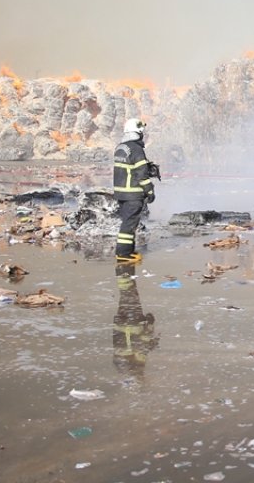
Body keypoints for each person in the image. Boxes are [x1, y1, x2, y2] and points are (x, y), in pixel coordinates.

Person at [112, 118, 158, 263]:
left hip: (121, 193)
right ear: (137, 133)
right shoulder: (137, 150)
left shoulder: (121, 147)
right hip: (133, 193)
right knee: (130, 224)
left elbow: (129, 170)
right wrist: (149, 191)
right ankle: (124, 254)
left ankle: (127, 251)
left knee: (127, 222)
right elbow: (141, 174)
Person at [113, 262, 157, 383]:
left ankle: (125, 273)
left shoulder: (134, 363)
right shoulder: (120, 364)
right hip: (122, 325)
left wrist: (149, 325)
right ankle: (124, 274)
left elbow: (142, 345)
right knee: (125, 297)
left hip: (133, 324)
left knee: (130, 296)